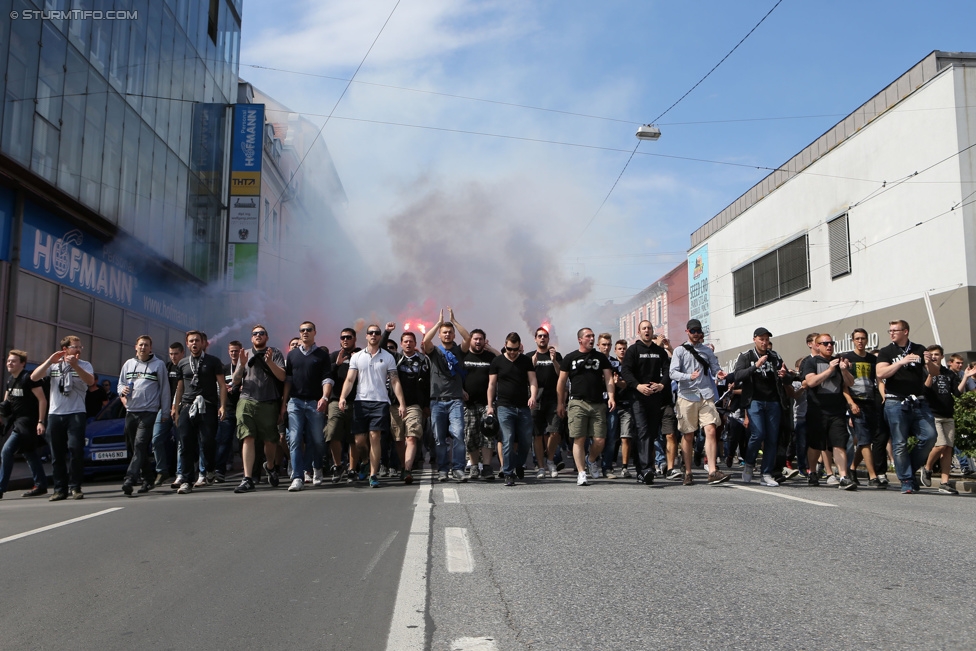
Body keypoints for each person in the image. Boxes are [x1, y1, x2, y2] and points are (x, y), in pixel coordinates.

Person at [338, 324, 406, 488]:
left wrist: (402, 403)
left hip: (380, 402)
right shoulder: (357, 357)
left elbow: (395, 380)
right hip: (361, 402)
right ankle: (365, 461)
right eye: (371, 333)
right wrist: (342, 397)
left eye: (377, 333)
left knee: (375, 437)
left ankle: (373, 475)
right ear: (366, 336)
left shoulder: (388, 357)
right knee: (359, 441)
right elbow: (349, 379)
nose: (374, 335)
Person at [876, 320, 939, 494]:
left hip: (918, 401)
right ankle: (906, 480)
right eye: (890, 330)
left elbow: (934, 373)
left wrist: (929, 362)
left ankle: (908, 469)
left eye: (895, 330)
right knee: (899, 442)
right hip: (895, 401)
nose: (892, 333)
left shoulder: (919, 348)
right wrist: (900, 362)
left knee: (930, 436)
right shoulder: (886, 351)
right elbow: (880, 373)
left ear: (906, 331)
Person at [31, 335, 95, 500]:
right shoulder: (55, 366)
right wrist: (49, 361)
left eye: (80, 347)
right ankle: (60, 489)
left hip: (76, 413)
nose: (79, 350)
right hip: (56, 414)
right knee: (57, 453)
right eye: (75, 347)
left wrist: (75, 366)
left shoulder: (85, 365)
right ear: (65, 349)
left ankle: (76, 487)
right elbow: (34, 377)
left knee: (75, 449)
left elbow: (89, 381)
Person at [669, 319, 731, 485]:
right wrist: (688, 376)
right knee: (688, 435)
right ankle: (688, 471)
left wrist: (719, 374)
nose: (696, 334)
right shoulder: (679, 351)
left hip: (705, 395)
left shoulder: (707, 351)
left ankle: (712, 470)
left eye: (698, 331)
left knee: (711, 430)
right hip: (686, 396)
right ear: (687, 332)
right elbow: (672, 373)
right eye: (693, 331)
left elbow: (714, 367)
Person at [557, 328, 615, 486]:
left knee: (600, 440)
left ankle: (591, 460)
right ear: (580, 340)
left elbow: (609, 378)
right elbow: (561, 382)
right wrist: (560, 403)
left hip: (597, 403)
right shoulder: (570, 358)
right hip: (577, 402)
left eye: (592, 336)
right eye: (588, 336)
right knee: (579, 438)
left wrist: (611, 397)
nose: (591, 339)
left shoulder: (600, 358)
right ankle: (582, 473)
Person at [171, 330, 227, 495]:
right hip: (187, 406)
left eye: (197, 341)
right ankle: (187, 480)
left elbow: (222, 385)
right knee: (186, 443)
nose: (194, 344)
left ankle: (209, 469)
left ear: (203, 343)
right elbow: (179, 387)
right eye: (191, 341)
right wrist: (176, 407)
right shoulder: (182, 363)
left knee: (208, 441)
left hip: (207, 405)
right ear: (187, 344)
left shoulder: (213, 361)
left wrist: (222, 406)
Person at [232, 325, 286, 493]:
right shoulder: (245, 354)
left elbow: (282, 376)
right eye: (255, 334)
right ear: (251, 338)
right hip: (247, 400)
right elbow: (235, 381)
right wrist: (241, 365)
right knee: (247, 436)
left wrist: (269, 363)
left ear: (267, 337)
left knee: (270, 440)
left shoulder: (275, 353)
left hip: (268, 402)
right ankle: (247, 478)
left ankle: (270, 466)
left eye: (262, 333)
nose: (258, 336)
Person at [732, 327, 789, 486]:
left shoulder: (774, 356)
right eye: (761, 339)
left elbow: (787, 377)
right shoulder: (746, 356)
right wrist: (755, 366)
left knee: (772, 438)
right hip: (754, 400)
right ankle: (749, 463)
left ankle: (766, 473)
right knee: (758, 434)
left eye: (766, 340)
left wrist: (786, 375)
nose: (764, 342)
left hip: (773, 401)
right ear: (754, 339)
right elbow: (737, 376)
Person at [422, 308, 472, 483]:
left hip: (455, 401)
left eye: (450, 332)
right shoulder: (434, 351)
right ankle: (443, 469)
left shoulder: (459, 350)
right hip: (437, 401)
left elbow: (468, 338)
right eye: (444, 332)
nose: (448, 334)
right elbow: (425, 340)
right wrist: (438, 323)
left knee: (458, 434)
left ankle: (458, 468)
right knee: (439, 438)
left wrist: (454, 321)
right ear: (440, 335)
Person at [801, 334, 857, 490]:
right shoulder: (811, 362)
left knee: (840, 443)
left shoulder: (839, 361)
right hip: (817, 410)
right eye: (825, 343)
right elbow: (811, 382)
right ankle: (812, 471)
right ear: (817, 345)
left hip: (837, 410)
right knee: (816, 445)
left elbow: (850, 383)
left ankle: (844, 476)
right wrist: (830, 369)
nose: (829, 346)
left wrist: (844, 370)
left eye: (831, 343)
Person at [117, 336, 171, 496]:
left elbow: (165, 389)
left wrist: (165, 412)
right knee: (134, 447)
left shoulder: (158, 365)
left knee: (140, 444)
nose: (143, 347)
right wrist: (122, 391)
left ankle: (130, 479)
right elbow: (120, 383)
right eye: (140, 345)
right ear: (136, 347)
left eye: (146, 345)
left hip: (149, 411)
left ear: (150, 348)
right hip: (131, 410)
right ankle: (148, 478)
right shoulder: (128, 364)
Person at [282, 321, 332, 491]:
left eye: (308, 330)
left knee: (317, 439)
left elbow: (327, 379)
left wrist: (324, 397)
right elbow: (288, 380)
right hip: (295, 402)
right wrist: (284, 403)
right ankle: (298, 476)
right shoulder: (292, 355)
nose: (305, 332)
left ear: (315, 332)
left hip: (314, 402)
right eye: (302, 330)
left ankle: (317, 467)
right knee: (294, 439)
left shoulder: (322, 355)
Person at [620, 320, 669, 484]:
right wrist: (637, 386)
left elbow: (668, 370)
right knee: (643, 431)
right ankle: (646, 469)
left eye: (649, 328)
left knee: (652, 433)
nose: (647, 330)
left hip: (655, 398)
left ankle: (643, 469)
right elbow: (625, 371)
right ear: (639, 332)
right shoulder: (633, 350)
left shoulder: (659, 351)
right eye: (644, 328)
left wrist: (662, 384)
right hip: (637, 398)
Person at [920, 345, 974, 495]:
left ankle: (945, 482)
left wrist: (965, 377)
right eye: (932, 354)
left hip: (948, 415)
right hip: (933, 414)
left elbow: (957, 393)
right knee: (941, 445)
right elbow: (924, 390)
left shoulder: (948, 373)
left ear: (942, 356)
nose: (934, 357)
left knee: (948, 449)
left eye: (937, 354)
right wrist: (931, 372)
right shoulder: (924, 371)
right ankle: (927, 467)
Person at [487, 332, 538, 486]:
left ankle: (518, 464)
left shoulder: (525, 361)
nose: (513, 352)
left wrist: (533, 396)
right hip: (504, 407)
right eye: (510, 349)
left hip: (523, 407)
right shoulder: (497, 361)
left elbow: (533, 380)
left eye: (516, 349)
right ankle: (508, 472)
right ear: (505, 345)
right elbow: (491, 385)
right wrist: (490, 405)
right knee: (507, 439)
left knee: (526, 440)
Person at [0, 350, 48, 499]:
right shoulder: (10, 380)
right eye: (8, 361)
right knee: (29, 453)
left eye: (13, 361)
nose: (10, 363)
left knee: (6, 451)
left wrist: (40, 421)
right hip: (17, 421)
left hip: (28, 422)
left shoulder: (28, 378)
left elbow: (42, 400)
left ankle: (1, 487)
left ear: (22, 363)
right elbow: (7, 401)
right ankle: (41, 485)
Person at [386, 326, 431, 484]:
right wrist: (387, 332)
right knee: (398, 439)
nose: (408, 344)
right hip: (395, 405)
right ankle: (403, 465)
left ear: (415, 343)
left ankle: (407, 469)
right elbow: (382, 344)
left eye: (411, 341)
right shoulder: (394, 359)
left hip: (414, 405)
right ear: (401, 343)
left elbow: (427, 385)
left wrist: (426, 405)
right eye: (405, 341)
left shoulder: (423, 360)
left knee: (411, 437)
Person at [843, 328, 884, 488]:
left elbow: (878, 380)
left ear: (867, 340)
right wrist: (851, 403)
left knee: (867, 439)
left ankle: (852, 468)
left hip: (871, 402)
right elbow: (843, 386)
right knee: (864, 439)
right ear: (853, 340)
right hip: (855, 402)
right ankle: (873, 476)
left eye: (863, 338)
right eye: (857, 338)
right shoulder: (847, 358)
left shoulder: (872, 360)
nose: (860, 341)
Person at [324, 328, 361, 483]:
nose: (345, 340)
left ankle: (352, 469)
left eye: (348, 337)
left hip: (357, 400)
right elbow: (325, 376)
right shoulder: (334, 356)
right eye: (342, 337)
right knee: (332, 433)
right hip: (335, 400)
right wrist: (336, 364)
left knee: (354, 438)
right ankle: (338, 465)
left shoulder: (361, 355)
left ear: (354, 339)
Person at [462, 328, 498, 480]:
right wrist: (460, 390)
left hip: (486, 403)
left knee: (488, 434)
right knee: (470, 436)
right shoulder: (463, 356)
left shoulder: (490, 357)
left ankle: (488, 468)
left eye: (481, 339)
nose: (478, 342)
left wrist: (490, 348)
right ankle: (474, 466)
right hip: (468, 404)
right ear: (470, 340)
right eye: (475, 339)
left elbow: (502, 359)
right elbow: (455, 376)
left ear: (485, 340)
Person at [530, 327, 563, 478]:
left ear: (548, 339)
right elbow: (526, 378)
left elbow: (562, 376)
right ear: (535, 339)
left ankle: (550, 460)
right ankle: (541, 466)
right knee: (537, 434)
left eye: (545, 336)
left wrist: (554, 360)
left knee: (554, 431)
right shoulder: (530, 356)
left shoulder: (556, 355)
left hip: (553, 399)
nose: (542, 338)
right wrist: (532, 364)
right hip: (536, 399)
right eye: (540, 336)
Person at [152, 342, 184, 486]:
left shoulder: (186, 366)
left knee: (180, 442)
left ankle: (180, 473)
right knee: (156, 439)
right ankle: (162, 471)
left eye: (176, 353)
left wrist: (176, 407)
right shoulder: (166, 367)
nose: (173, 356)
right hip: (164, 409)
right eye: (171, 354)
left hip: (181, 409)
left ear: (182, 353)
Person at [216, 341, 243, 483]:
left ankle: (248, 471)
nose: (234, 353)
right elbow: (219, 388)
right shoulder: (224, 369)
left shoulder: (245, 367)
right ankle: (219, 471)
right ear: (228, 352)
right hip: (228, 409)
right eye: (232, 351)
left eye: (236, 351)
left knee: (244, 440)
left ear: (241, 351)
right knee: (224, 440)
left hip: (242, 409)